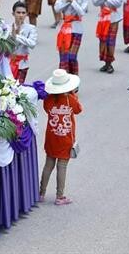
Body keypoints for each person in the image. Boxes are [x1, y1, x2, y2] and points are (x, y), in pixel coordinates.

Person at [40, 69, 82, 205]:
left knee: (48, 164)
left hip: (52, 137)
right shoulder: (70, 100)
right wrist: (74, 96)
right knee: (62, 166)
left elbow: (47, 110)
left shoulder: (49, 99)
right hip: (65, 138)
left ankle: (41, 192)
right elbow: (79, 110)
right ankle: (60, 196)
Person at [54, 0, 88, 75]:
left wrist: (73, 1)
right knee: (64, 57)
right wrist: (66, 2)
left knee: (72, 57)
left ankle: (74, 79)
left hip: (76, 28)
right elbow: (57, 9)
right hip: (64, 29)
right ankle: (64, 81)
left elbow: (81, 12)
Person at [93, 0, 125, 73]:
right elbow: (95, 1)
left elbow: (118, 3)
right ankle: (105, 62)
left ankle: (110, 63)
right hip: (103, 18)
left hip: (113, 19)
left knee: (110, 41)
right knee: (102, 40)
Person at [9, 1, 38, 84]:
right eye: (18, 12)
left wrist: (17, 37)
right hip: (7, 63)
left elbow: (32, 44)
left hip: (22, 64)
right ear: (13, 13)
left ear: (26, 14)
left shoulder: (31, 28)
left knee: (18, 88)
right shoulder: (7, 27)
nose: (21, 15)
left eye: (23, 13)